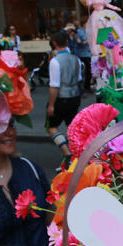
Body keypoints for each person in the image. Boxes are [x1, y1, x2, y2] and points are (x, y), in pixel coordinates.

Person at [46, 30, 81, 159]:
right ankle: (77, 153)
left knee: (52, 126)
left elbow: (54, 86)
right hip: (75, 96)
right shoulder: (76, 59)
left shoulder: (55, 61)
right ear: (67, 42)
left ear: (54, 43)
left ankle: (67, 153)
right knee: (71, 126)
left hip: (62, 98)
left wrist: (51, 105)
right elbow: (79, 78)